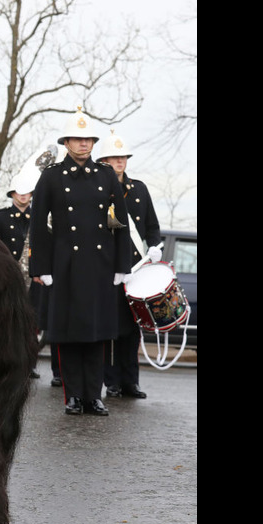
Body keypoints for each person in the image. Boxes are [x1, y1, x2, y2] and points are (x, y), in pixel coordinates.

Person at [28, 106, 132, 416]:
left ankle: (94, 394)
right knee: (70, 333)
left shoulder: (105, 175)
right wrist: (41, 268)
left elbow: (121, 222)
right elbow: (37, 225)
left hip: (100, 264)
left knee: (96, 332)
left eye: (87, 139)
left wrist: (121, 266)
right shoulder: (51, 176)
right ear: (67, 143)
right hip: (65, 265)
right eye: (77, 139)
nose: (83, 144)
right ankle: (73, 395)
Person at [96, 130, 162, 399]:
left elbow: (151, 225)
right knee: (112, 329)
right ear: (104, 162)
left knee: (133, 328)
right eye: (114, 158)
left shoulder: (140, 189)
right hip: (109, 269)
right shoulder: (99, 191)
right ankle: (111, 381)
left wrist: (155, 246)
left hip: (136, 269)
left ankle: (130, 381)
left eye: (122, 157)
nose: (120, 162)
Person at [0, 169, 43, 378]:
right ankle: (7, 363)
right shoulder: (1, 218)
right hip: (10, 277)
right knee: (8, 321)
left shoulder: (39, 218)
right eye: (18, 192)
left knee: (32, 323)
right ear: (12, 194)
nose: (22, 196)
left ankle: (28, 364)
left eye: (27, 192)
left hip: (34, 276)